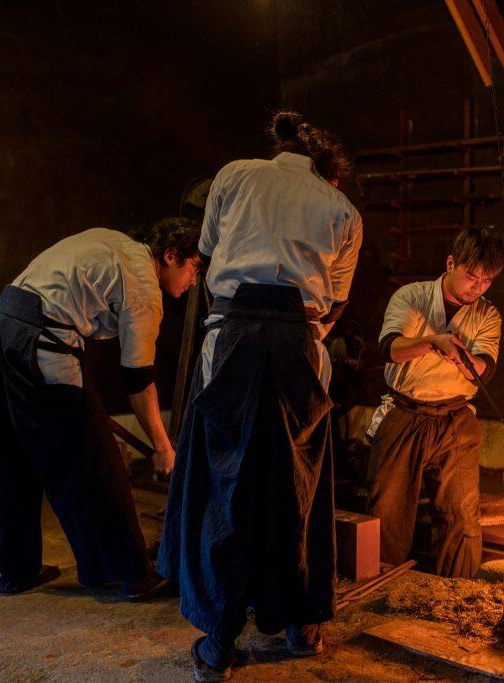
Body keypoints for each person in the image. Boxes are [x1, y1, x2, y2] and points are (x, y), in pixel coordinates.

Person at [156, 111, 362, 681]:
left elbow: (213, 252)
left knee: (229, 483)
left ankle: (219, 643)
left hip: (233, 336)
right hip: (299, 341)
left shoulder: (235, 175)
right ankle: (300, 626)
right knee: (295, 483)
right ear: (326, 169)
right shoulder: (342, 209)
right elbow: (335, 301)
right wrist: (308, 330)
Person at [0, 218, 202, 599]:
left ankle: (17, 570)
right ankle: (132, 575)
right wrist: (162, 447)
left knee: (13, 456)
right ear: (172, 255)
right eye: (193, 267)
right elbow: (138, 378)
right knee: (95, 463)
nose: (194, 280)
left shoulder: (110, 240)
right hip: (38, 346)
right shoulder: (144, 285)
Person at [365, 227, 504, 579]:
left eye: (486, 281)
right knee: (388, 512)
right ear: (450, 262)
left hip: (455, 416)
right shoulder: (411, 297)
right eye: (471, 276)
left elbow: (485, 369)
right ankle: (384, 590)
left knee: (461, 515)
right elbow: (390, 349)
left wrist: (468, 363)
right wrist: (431, 342)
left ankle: (456, 594)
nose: (477, 287)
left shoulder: (487, 315)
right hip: (406, 412)